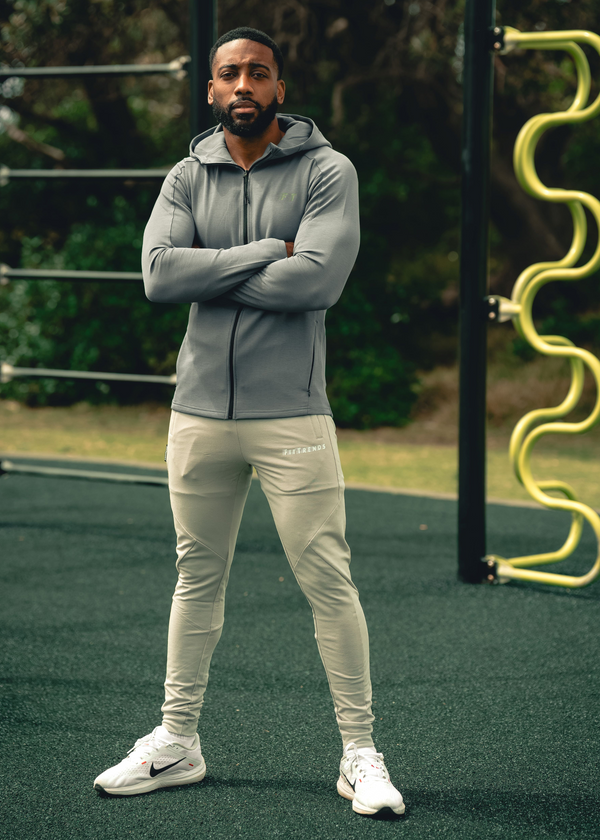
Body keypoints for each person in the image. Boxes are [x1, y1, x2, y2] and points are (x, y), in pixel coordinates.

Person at [93, 26, 404, 818]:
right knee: (195, 576)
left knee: (326, 580)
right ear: (210, 89)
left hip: (293, 414)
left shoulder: (329, 172)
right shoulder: (183, 175)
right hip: (196, 413)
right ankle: (177, 742)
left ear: (277, 88)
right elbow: (158, 278)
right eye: (229, 73)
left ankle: (360, 754)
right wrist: (267, 248)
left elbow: (316, 284)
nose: (243, 85)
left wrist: (213, 268)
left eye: (257, 74)